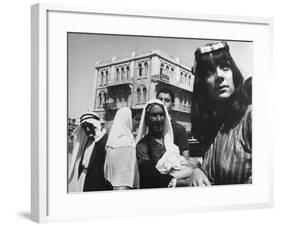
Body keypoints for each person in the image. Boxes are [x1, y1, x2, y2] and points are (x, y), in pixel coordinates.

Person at [189, 41, 252, 186]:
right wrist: (197, 172)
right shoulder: (212, 129)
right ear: (202, 84)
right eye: (209, 72)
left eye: (225, 67)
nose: (219, 75)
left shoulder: (251, 117)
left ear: (233, 74)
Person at [136, 99, 196, 188]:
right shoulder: (142, 146)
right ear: (147, 118)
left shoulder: (169, 141)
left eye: (161, 115)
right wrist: (180, 182)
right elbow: (148, 174)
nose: (159, 119)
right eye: (154, 115)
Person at [68, 112, 112, 192]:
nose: (87, 130)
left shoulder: (105, 141)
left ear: (95, 125)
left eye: (89, 126)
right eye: (84, 127)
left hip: (97, 184)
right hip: (83, 179)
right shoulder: (88, 140)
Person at [104, 107, 139, 190]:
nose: (137, 123)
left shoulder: (111, 142)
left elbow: (106, 173)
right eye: (135, 119)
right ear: (128, 120)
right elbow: (126, 179)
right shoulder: (126, 143)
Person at [156, 88, 190, 159]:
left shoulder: (178, 129)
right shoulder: (152, 127)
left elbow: (186, 158)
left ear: (172, 105)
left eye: (167, 100)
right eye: (160, 99)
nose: (163, 102)